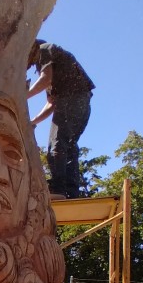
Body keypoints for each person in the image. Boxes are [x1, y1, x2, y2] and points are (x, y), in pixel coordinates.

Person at [27, 40, 94, 199]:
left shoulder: (44, 49)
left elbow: (45, 79)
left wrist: (21, 95)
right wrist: (33, 122)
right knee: (68, 147)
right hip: (80, 102)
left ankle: (58, 190)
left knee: (57, 145)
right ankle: (71, 192)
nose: (30, 66)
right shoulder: (55, 68)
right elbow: (52, 103)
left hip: (73, 99)